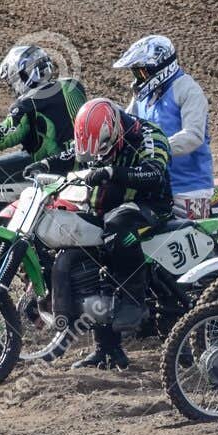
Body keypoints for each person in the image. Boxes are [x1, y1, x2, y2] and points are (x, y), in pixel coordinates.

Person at [61, 97, 173, 370]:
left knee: (119, 229)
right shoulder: (93, 133)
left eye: (105, 150)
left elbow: (155, 173)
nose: (100, 157)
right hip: (106, 208)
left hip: (150, 208)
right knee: (84, 246)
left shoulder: (149, 135)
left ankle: (134, 301)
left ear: (115, 131)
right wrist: (41, 165)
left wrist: (112, 171)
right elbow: (68, 155)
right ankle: (106, 349)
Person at [113, 35, 214, 219]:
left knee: (190, 243)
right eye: (136, 73)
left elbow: (193, 136)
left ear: (158, 67)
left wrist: (156, 149)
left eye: (141, 72)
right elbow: (126, 124)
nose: (138, 78)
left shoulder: (188, 90)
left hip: (189, 188)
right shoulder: (143, 96)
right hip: (155, 184)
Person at [0, 42, 86, 169]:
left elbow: (1, 138)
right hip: (87, 163)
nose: (13, 85)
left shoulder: (26, 104)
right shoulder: (72, 86)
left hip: (54, 171)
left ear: (23, 74)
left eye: (13, 79)